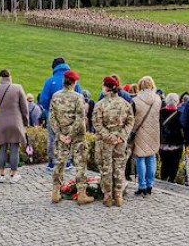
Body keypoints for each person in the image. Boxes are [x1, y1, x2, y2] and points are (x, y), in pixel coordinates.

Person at [50, 70, 93, 205]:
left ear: (64, 81)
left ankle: (55, 193)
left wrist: (61, 134)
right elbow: (80, 119)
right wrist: (70, 135)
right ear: (74, 82)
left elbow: (52, 118)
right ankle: (81, 194)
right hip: (77, 136)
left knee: (59, 163)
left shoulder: (55, 96)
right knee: (80, 164)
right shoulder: (78, 97)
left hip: (61, 135)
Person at [95, 75, 134, 207]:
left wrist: (110, 137)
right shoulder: (125, 104)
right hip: (120, 141)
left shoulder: (100, 105)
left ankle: (107, 196)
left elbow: (97, 125)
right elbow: (130, 122)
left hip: (106, 142)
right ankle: (118, 195)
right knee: (119, 167)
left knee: (106, 168)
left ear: (106, 88)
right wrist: (121, 136)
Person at [39, 57, 80, 171]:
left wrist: (49, 110)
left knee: (53, 138)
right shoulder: (74, 81)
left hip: (54, 116)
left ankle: (52, 162)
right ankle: (67, 161)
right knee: (68, 137)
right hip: (70, 117)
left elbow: (43, 99)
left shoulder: (50, 81)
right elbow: (80, 97)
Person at [0, 69, 30, 183]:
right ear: (10, 76)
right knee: (14, 148)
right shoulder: (18, 88)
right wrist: (26, 122)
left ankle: (1, 175)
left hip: (1, 122)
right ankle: (13, 174)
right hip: (15, 121)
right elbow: (24, 107)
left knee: (2, 148)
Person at [130, 76, 161, 196]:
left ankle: (142, 185)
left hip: (140, 131)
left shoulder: (136, 100)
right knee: (151, 157)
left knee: (140, 157)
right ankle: (150, 184)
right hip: (153, 131)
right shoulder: (158, 99)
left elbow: (132, 118)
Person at [158, 93, 185, 182]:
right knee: (174, 162)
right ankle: (171, 179)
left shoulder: (160, 112)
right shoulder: (180, 114)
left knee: (164, 162)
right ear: (177, 102)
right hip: (176, 143)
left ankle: (163, 177)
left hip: (163, 142)